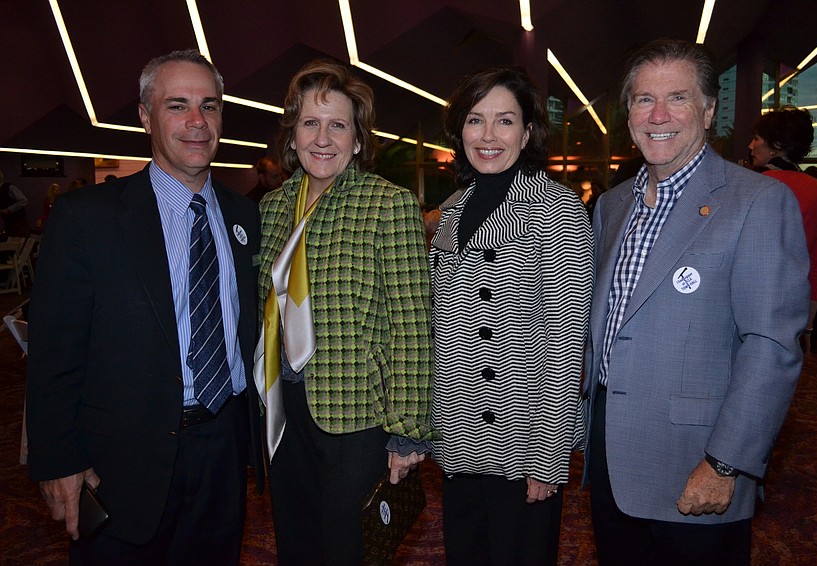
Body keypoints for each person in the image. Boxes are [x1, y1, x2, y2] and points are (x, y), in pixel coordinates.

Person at [26, 49, 263, 564]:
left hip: (223, 450)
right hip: (120, 459)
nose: (197, 121)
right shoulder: (88, 217)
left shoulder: (246, 216)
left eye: (209, 106)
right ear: (145, 116)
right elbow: (54, 352)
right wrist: (58, 458)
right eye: (177, 105)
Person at [583, 39, 809, 565]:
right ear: (629, 114)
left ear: (708, 111)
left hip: (697, 462)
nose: (658, 115)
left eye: (677, 98)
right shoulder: (613, 205)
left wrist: (726, 462)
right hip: (612, 457)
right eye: (644, 99)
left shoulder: (757, 201)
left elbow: (771, 346)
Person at [255, 59, 436, 564]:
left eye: (338, 125)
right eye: (309, 123)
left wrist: (407, 429)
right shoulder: (271, 209)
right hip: (282, 411)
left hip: (356, 414)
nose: (322, 138)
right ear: (292, 136)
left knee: (349, 551)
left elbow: (412, 326)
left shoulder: (388, 204)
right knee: (295, 547)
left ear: (357, 140)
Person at [429, 66, 593, 565]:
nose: (488, 135)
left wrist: (548, 457)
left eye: (505, 121)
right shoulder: (454, 208)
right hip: (459, 437)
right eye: (475, 120)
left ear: (527, 132)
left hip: (521, 444)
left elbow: (566, 345)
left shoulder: (557, 208)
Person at [749, 106, 817, 352]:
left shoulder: (751, 187)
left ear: (776, 146)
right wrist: (808, 326)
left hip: (747, 303)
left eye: (757, 138)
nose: (750, 145)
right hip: (791, 309)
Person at [0, 169, 30, 237]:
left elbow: (24, 201)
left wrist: (9, 209)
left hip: (19, 220)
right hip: (7, 221)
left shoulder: (9, 187)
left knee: (20, 239)